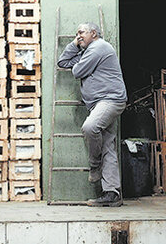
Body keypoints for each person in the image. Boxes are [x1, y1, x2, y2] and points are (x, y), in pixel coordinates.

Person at [57, 22, 127, 207]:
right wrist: (75, 44)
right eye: (76, 33)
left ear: (94, 33)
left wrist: (79, 61)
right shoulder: (87, 51)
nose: (78, 35)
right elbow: (62, 62)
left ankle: (94, 165)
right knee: (107, 146)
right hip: (99, 103)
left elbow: (78, 71)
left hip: (110, 100)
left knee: (90, 127)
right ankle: (112, 193)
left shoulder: (98, 48)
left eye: (81, 32)